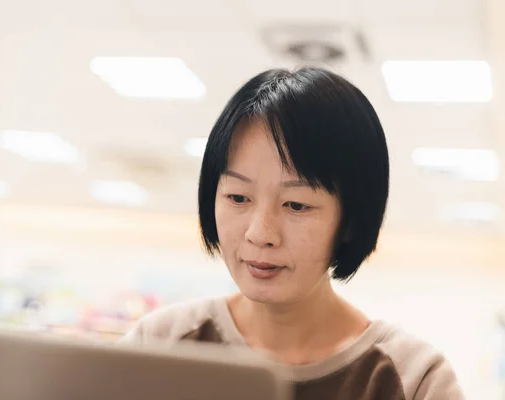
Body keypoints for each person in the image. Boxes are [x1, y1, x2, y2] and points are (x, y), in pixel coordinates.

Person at [120, 67, 465, 399]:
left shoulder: (413, 379)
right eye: (238, 198)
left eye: (296, 205)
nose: (260, 234)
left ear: (352, 220)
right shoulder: (161, 344)